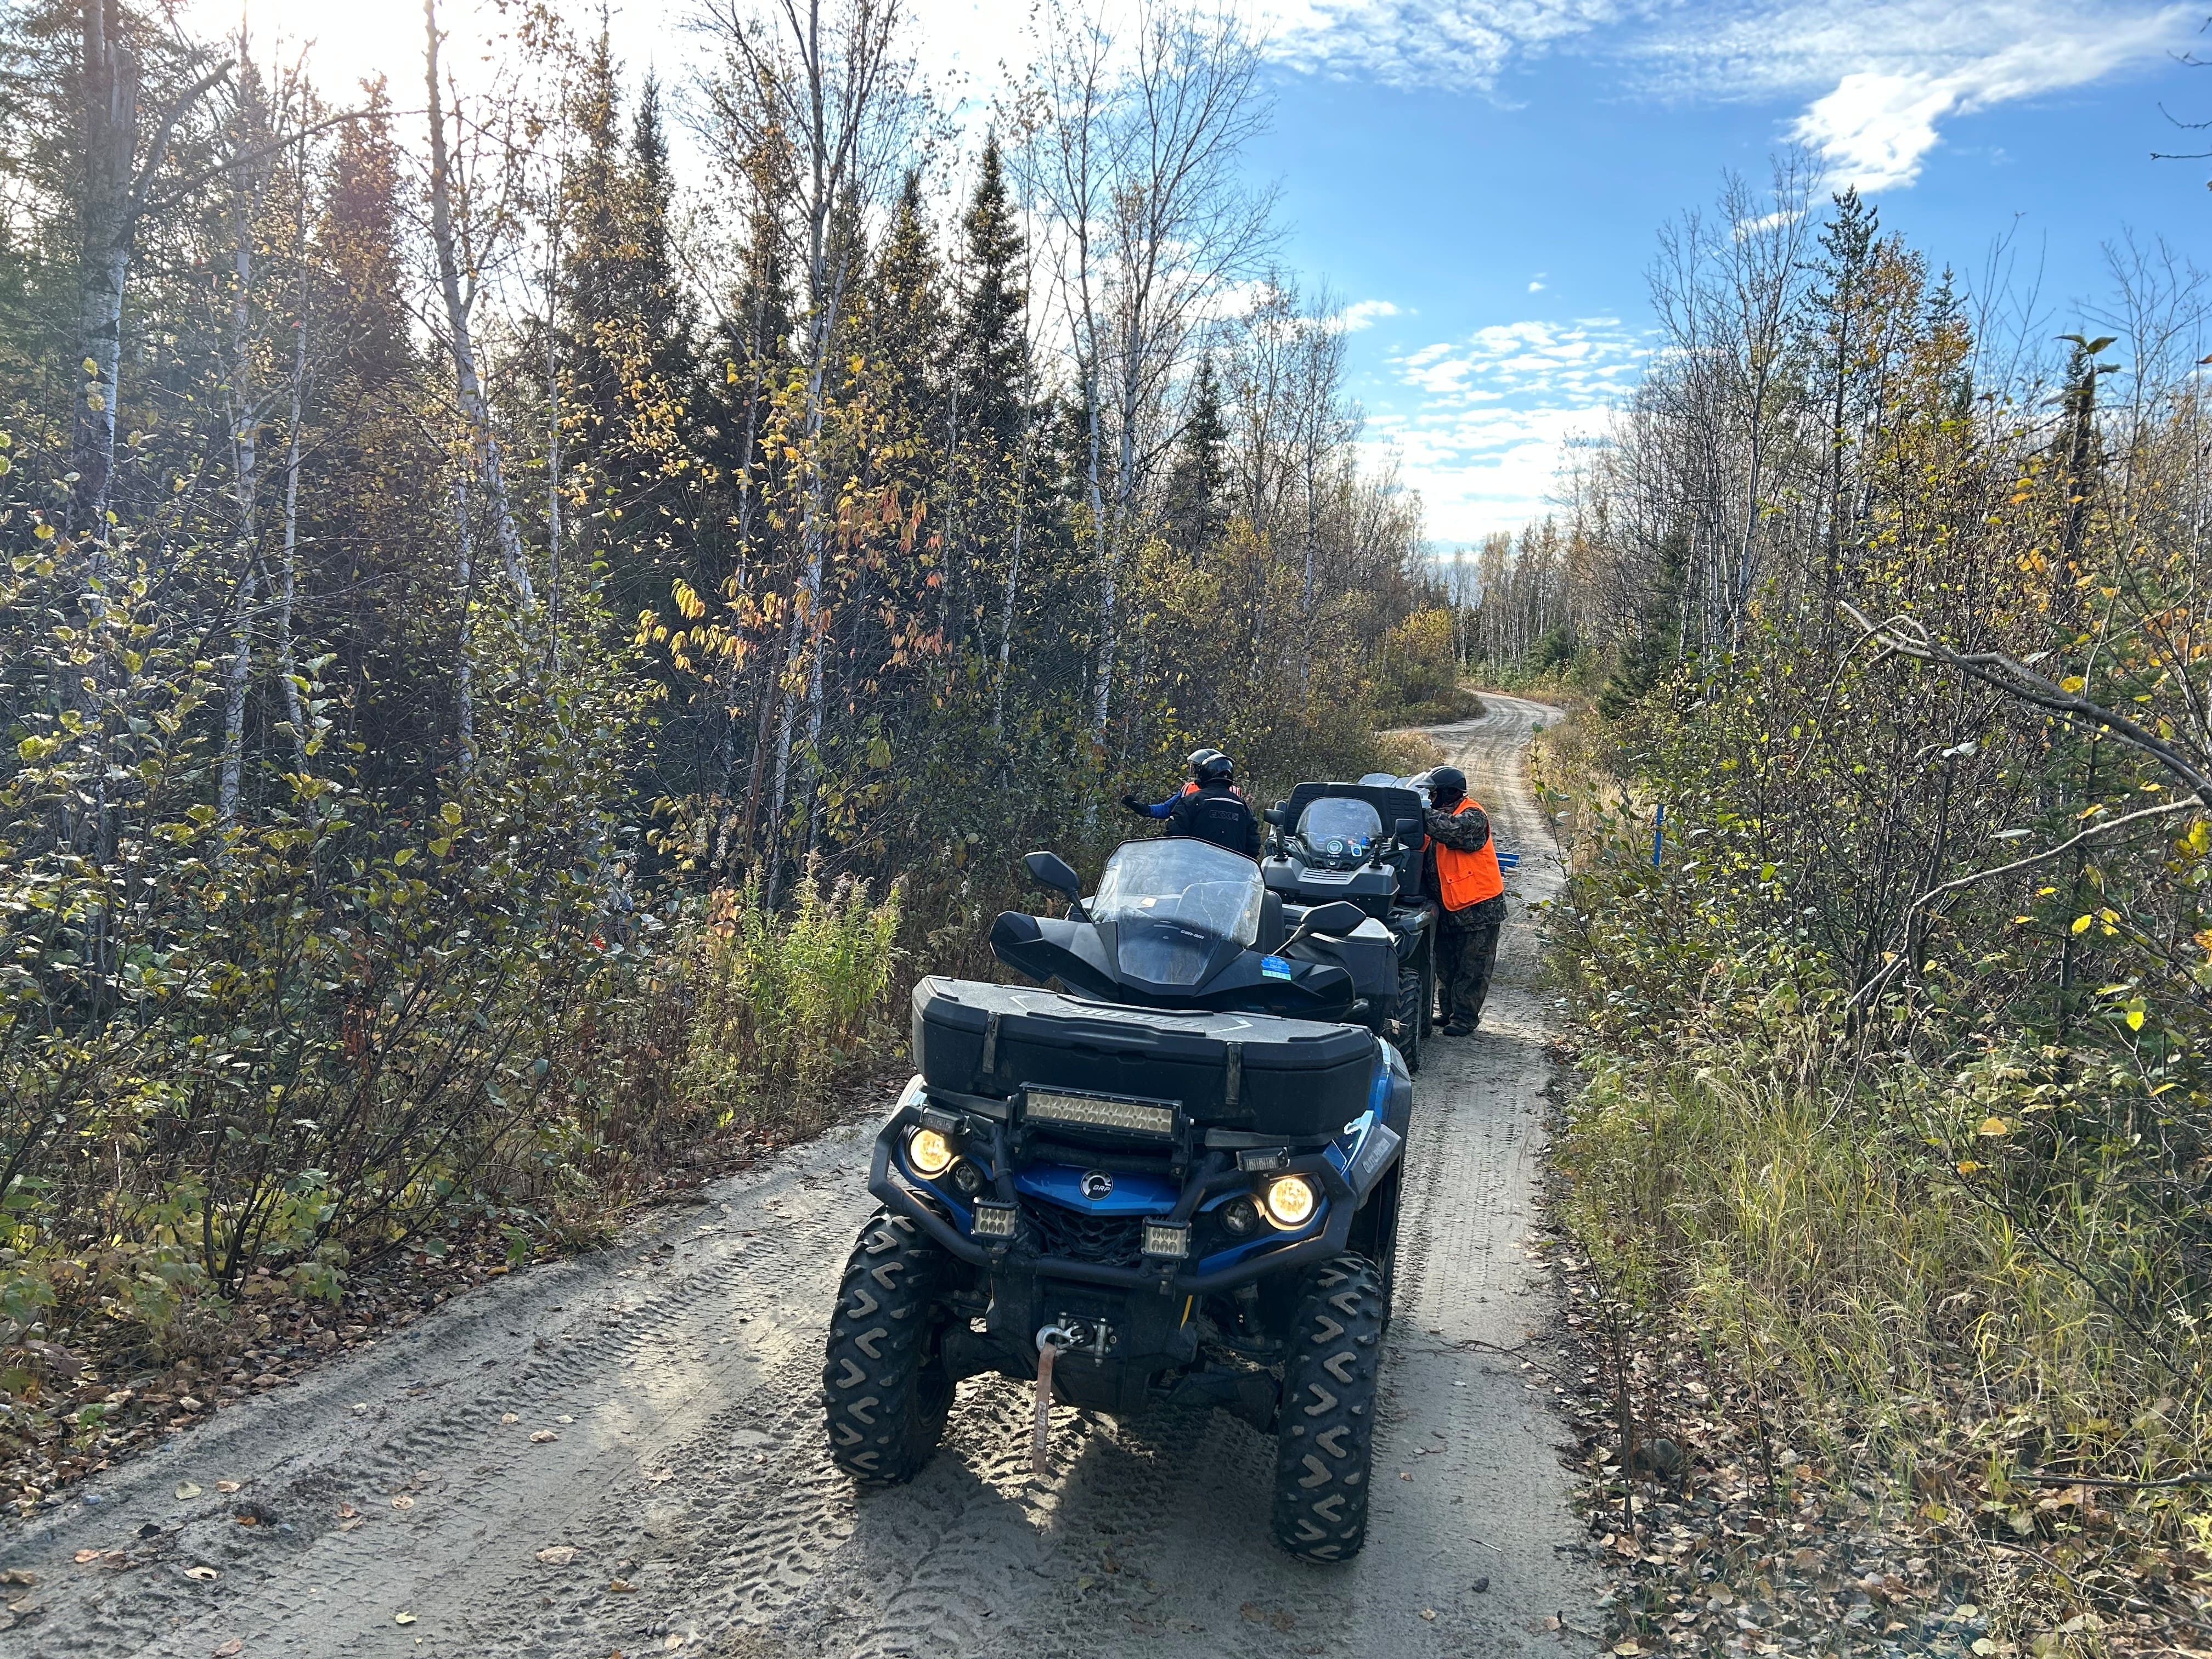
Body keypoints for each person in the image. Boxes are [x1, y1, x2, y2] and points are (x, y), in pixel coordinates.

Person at [1419, 765, 1505, 1035]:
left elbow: (1452, 831)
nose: (1430, 798)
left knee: (1473, 967)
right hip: (1448, 906)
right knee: (1447, 966)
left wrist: (1418, 811)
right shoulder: (1438, 816)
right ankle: (1448, 1013)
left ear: (1449, 793)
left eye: (1434, 793)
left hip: (1479, 907)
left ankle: (1465, 1018)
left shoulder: (1472, 815)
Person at [1121, 748, 1261, 856]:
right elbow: (1167, 809)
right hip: (1220, 864)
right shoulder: (1239, 802)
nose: (1195, 772)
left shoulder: (1195, 799)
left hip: (1198, 862)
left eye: (1197, 768)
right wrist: (1143, 809)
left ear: (1206, 769)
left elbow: (1175, 833)